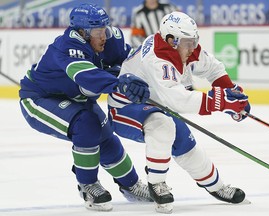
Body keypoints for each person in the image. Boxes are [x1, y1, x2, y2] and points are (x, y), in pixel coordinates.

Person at [107, 11, 251, 213]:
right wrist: (222, 103)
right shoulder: (157, 59)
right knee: (162, 126)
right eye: (188, 42)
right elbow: (178, 99)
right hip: (124, 109)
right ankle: (156, 183)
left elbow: (213, 68)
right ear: (170, 40)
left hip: (156, 105)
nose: (192, 47)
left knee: (186, 143)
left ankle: (217, 187)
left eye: (194, 41)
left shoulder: (184, 48)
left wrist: (231, 92)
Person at [18, 3, 152, 212]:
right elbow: (87, 77)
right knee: (87, 125)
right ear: (82, 32)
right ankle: (88, 184)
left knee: (106, 135)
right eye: (97, 32)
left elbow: (133, 62)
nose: (104, 36)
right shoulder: (67, 46)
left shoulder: (111, 39)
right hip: (39, 98)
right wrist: (120, 82)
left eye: (105, 29)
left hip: (76, 98)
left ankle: (131, 185)